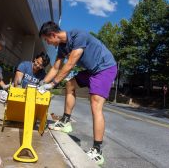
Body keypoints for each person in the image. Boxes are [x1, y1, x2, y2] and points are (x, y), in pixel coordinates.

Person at [38, 21, 117, 165]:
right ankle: (66, 122)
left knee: (95, 105)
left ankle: (97, 152)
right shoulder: (61, 48)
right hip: (92, 70)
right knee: (70, 85)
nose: (48, 43)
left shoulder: (78, 36)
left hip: (105, 68)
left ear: (53, 34)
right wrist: (42, 83)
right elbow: (56, 68)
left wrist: (53, 84)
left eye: (46, 39)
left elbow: (70, 64)